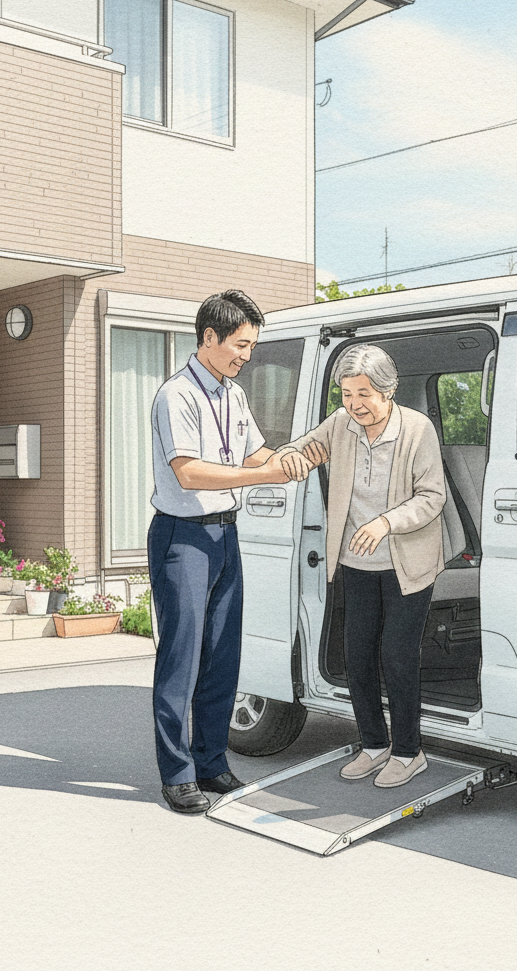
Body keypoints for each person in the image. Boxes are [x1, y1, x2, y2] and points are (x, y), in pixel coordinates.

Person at [148, 289, 291, 814]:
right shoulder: (176, 395)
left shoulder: (232, 395)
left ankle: (211, 763)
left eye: (251, 346)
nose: (246, 356)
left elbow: (256, 453)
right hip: (182, 537)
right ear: (209, 337)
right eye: (240, 344)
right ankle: (177, 774)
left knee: (223, 657)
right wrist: (263, 473)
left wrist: (297, 458)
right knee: (181, 659)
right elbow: (189, 470)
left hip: (226, 535)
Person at [277, 344, 446, 788]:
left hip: (406, 562)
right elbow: (308, 448)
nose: (355, 405)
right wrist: (293, 456)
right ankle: (374, 744)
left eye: (364, 394)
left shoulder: (417, 430)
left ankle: (409, 752)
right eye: (347, 394)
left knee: (397, 656)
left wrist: (386, 523)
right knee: (356, 656)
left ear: (388, 391)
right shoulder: (342, 424)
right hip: (355, 562)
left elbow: (432, 497)